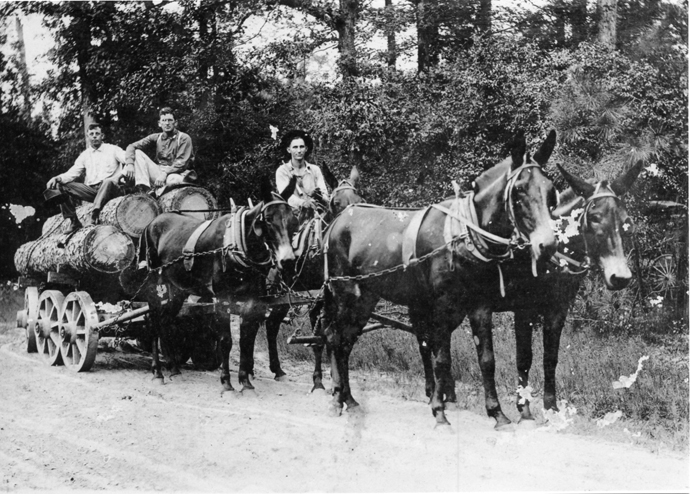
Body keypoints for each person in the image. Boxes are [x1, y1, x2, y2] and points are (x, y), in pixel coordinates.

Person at [46, 123, 126, 233]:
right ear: (87, 137)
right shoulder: (85, 155)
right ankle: (74, 221)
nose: (94, 136)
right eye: (91, 134)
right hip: (93, 191)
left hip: (112, 188)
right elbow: (73, 173)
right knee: (61, 186)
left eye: (97, 134)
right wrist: (57, 178)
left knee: (108, 181)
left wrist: (122, 174)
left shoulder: (113, 149)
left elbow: (129, 159)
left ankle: (94, 215)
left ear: (102, 136)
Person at [123, 107, 195, 194]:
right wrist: (130, 164)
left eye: (170, 120)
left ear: (175, 123)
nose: (167, 123)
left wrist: (164, 174)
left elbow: (181, 163)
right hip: (159, 172)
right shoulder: (156, 137)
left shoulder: (184, 138)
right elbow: (131, 146)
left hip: (177, 173)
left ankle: (159, 191)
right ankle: (146, 191)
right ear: (159, 123)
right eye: (164, 120)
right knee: (138, 153)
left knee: (173, 180)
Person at [275, 129, 329, 214]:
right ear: (289, 150)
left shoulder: (315, 169)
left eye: (301, 147)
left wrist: (319, 196)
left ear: (306, 149)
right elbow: (286, 197)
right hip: (292, 215)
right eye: (295, 147)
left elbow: (326, 196)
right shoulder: (282, 171)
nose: (299, 150)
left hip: (316, 214)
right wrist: (303, 203)